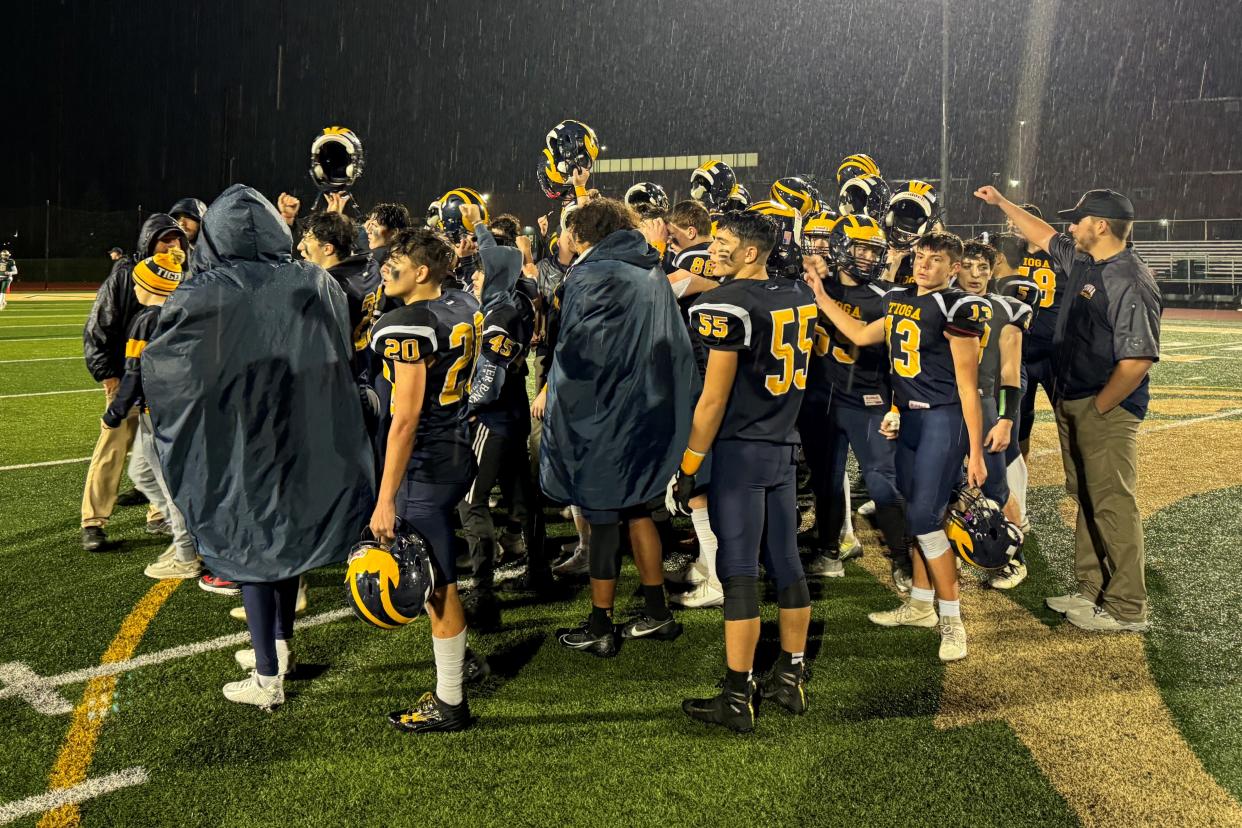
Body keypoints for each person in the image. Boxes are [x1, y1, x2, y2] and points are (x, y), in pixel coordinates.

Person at [142, 185, 373, 710]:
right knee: (286, 542)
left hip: (242, 435)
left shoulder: (204, 292)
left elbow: (171, 370)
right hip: (304, 431)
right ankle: (281, 648)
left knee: (249, 546)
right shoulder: (315, 281)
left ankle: (268, 677)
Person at [976, 186, 1161, 633]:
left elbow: (1137, 359)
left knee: (1112, 504)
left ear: (1100, 225)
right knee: (1088, 499)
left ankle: (1125, 607)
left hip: (1104, 407)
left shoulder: (1129, 278)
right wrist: (1003, 204)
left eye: (1078, 220)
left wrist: (1098, 407)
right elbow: (1041, 236)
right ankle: (1091, 590)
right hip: (1076, 397)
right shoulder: (1087, 260)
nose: (1070, 227)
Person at [807, 231, 990, 662]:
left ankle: (953, 621)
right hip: (909, 418)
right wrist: (819, 294)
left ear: (954, 267)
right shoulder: (899, 299)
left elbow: (969, 388)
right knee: (915, 513)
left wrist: (976, 452)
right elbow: (857, 332)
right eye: (921, 256)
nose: (925, 264)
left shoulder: (958, 306)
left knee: (927, 520)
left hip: (941, 420)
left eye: (937, 259)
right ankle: (922, 605)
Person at [673, 211, 818, 732]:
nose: (713, 248)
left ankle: (737, 696)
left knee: (737, 574)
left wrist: (689, 464)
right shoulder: (797, 293)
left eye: (723, 242)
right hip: (783, 444)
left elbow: (712, 400)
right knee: (786, 562)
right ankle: (790, 676)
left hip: (739, 449)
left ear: (751, 252)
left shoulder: (724, 305)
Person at [538, 198, 697, 658]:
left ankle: (600, 624)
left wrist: (560, 407)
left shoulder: (592, 274)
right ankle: (656, 612)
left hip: (607, 413)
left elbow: (578, 355)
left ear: (579, 236)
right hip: (647, 409)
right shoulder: (647, 265)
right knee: (639, 510)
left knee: (604, 517)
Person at [368, 225, 482, 732]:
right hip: (458, 448)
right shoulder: (460, 305)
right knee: (441, 568)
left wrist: (386, 497)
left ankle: (451, 701)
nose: (387, 267)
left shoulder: (410, 325)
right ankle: (462, 660)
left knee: (436, 584)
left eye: (398, 261)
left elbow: (406, 418)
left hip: (426, 464)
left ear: (422, 272)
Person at [800, 215, 911, 588]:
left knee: (881, 482)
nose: (866, 256)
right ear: (840, 246)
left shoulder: (886, 298)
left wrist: (896, 406)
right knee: (826, 482)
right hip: (821, 401)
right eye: (860, 247)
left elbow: (882, 350)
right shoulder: (815, 284)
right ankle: (829, 552)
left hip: (867, 400)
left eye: (873, 250)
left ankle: (902, 558)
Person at [456, 206, 548, 612]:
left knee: (471, 501)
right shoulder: (520, 297)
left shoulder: (496, 313)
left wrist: (472, 407)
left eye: (480, 271)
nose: (475, 276)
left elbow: (489, 373)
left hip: (492, 417)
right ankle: (540, 571)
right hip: (514, 412)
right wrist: (479, 226)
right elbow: (500, 258)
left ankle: (482, 589)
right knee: (522, 498)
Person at [80, 215, 184, 551]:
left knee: (160, 454)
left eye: (176, 240)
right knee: (111, 450)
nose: (172, 247)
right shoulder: (126, 275)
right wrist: (108, 375)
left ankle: (159, 515)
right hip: (126, 377)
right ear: (148, 243)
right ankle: (93, 522)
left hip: (163, 387)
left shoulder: (183, 275)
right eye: (164, 241)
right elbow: (99, 328)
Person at [100, 251, 199, 580]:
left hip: (158, 415)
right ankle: (181, 534)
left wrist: (114, 413)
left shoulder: (146, 320)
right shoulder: (183, 310)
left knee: (170, 488)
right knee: (141, 472)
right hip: (179, 410)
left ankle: (187, 553)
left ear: (148, 285)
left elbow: (134, 374)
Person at [958, 239, 1032, 587]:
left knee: (996, 489)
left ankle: (1015, 558)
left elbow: (1010, 375)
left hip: (985, 401)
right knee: (953, 487)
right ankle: (960, 548)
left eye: (983, 269)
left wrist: (1005, 420)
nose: (976, 275)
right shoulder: (943, 302)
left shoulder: (1005, 310)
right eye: (969, 266)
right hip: (946, 405)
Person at [1008, 203, 1063, 461]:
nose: (1012, 226)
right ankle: (1020, 477)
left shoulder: (1060, 258)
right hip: (1018, 350)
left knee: (1068, 418)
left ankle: (1080, 478)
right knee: (1020, 418)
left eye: (1018, 221)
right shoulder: (1005, 254)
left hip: (1053, 350)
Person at [298, 211, 381, 382]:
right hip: (364, 363)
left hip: (337, 375)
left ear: (328, 249)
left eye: (306, 239)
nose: (300, 246)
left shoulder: (327, 288)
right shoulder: (371, 266)